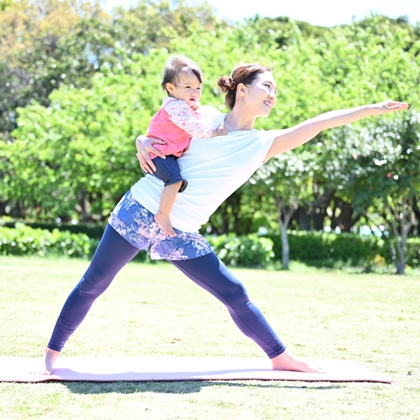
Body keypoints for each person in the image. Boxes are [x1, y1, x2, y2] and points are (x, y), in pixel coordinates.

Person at [42, 61, 408, 375]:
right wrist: (141, 140)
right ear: (243, 91)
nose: (273, 94)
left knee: (233, 292)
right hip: (143, 206)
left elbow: (318, 124)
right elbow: (159, 129)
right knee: (95, 281)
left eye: (276, 89)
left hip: (181, 229)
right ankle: (51, 356)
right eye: (267, 86)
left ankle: (280, 357)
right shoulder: (201, 117)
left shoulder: (263, 144)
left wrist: (372, 108)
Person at [144, 55, 227, 237]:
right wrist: (215, 132)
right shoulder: (175, 107)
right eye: (188, 87)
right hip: (158, 155)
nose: (195, 93)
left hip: (166, 155)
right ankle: (163, 214)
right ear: (171, 88)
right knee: (175, 181)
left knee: (177, 181)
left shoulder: (186, 107)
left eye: (198, 88)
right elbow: (194, 127)